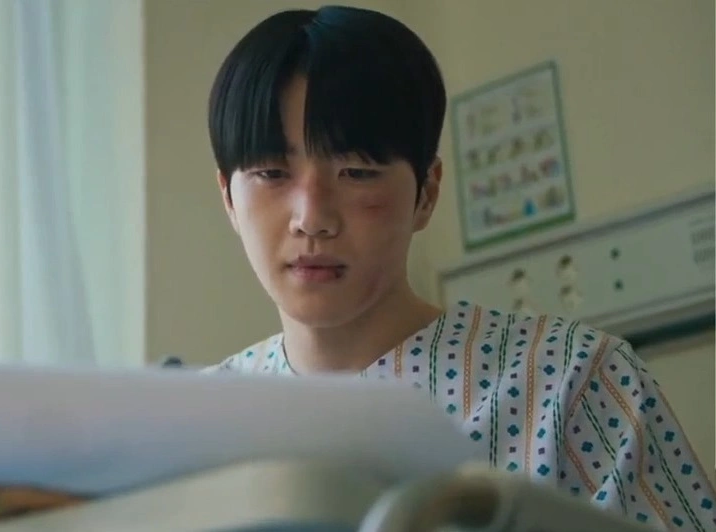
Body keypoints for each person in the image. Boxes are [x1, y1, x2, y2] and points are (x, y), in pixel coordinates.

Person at [203, 5, 715, 530]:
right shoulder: (199, 425)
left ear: (426, 193)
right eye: (271, 173)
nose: (312, 219)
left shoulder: (571, 381)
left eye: (357, 171)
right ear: (228, 199)